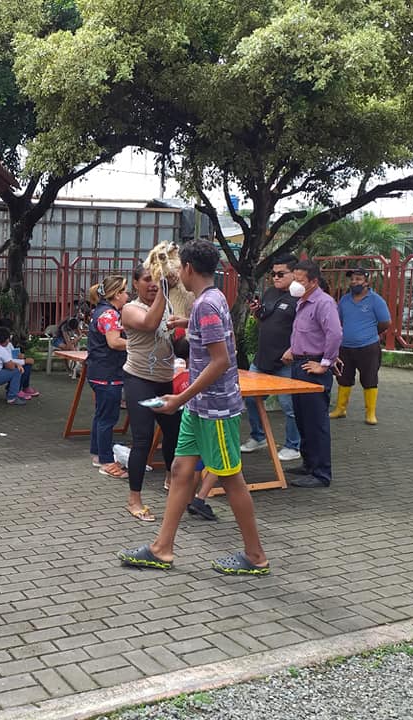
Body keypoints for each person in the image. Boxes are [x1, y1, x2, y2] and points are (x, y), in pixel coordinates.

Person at [117, 240, 269, 575]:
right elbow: (215, 336)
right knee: (181, 470)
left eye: (177, 269)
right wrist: (185, 323)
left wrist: (179, 398)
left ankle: (256, 557)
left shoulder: (207, 304)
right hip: (198, 409)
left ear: (187, 268)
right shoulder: (208, 301)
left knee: (231, 479)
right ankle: (162, 549)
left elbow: (220, 361)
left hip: (215, 410)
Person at [120, 263, 182, 522]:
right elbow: (149, 323)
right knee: (143, 439)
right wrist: (166, 291)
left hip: (164, 380)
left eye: (157, 279)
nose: (153, 284)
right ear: (135, 283)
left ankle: (170, 479)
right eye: (147, 279)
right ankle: (134, 499)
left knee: (175, 434)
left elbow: (174, 340)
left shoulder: (166, 307)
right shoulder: (130, 309)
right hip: (139, 381)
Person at [284, 259, 343, 488]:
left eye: (300, 280)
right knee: (302, 418)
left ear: (313, 282)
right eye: (295, 279)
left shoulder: (323, 303)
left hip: (313, 367)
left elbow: (334, 334)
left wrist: (325, 363)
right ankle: (308, 464)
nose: (295, 284)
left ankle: (321, 473)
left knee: (316, 421)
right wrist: (292, 349)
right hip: (299, 364)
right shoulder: (302, 302)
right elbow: (306, 333)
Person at [240, 256, 302, 461]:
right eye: (273, 274)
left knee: (289, 405)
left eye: (281, 274)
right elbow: (265, 321)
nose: (275, 277)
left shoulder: (300, 298)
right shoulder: (270, 293)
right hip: (263, 358)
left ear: (294, 274)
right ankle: (258, 436)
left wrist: (294, 349)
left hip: (285, 362)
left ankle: (293, 445)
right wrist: (257, 313)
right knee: (251, 399)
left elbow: (306, 329)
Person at [331, 267, 391, 425]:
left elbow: (385, 322)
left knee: (369, 378)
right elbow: (339, 320)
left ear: (367, 281)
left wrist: (370, 333)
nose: (354, 282)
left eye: (358, 279)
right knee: (343, 377)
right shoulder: (344, 300)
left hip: (368, 346)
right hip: (345, 347)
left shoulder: (376, 300)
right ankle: (340, 409)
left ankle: (370, 413)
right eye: (352, 279)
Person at [87, 275, 130, 479]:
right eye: (125, 291)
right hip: (108, 373)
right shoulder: (110, 314)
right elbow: (114, 342)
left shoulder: (100, 311)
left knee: (101, 416)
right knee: (107, 418)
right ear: (117, 294)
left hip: (99, 371)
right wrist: (137, 345)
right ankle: (106, 461)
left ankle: (98, 454)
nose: (128, 295)